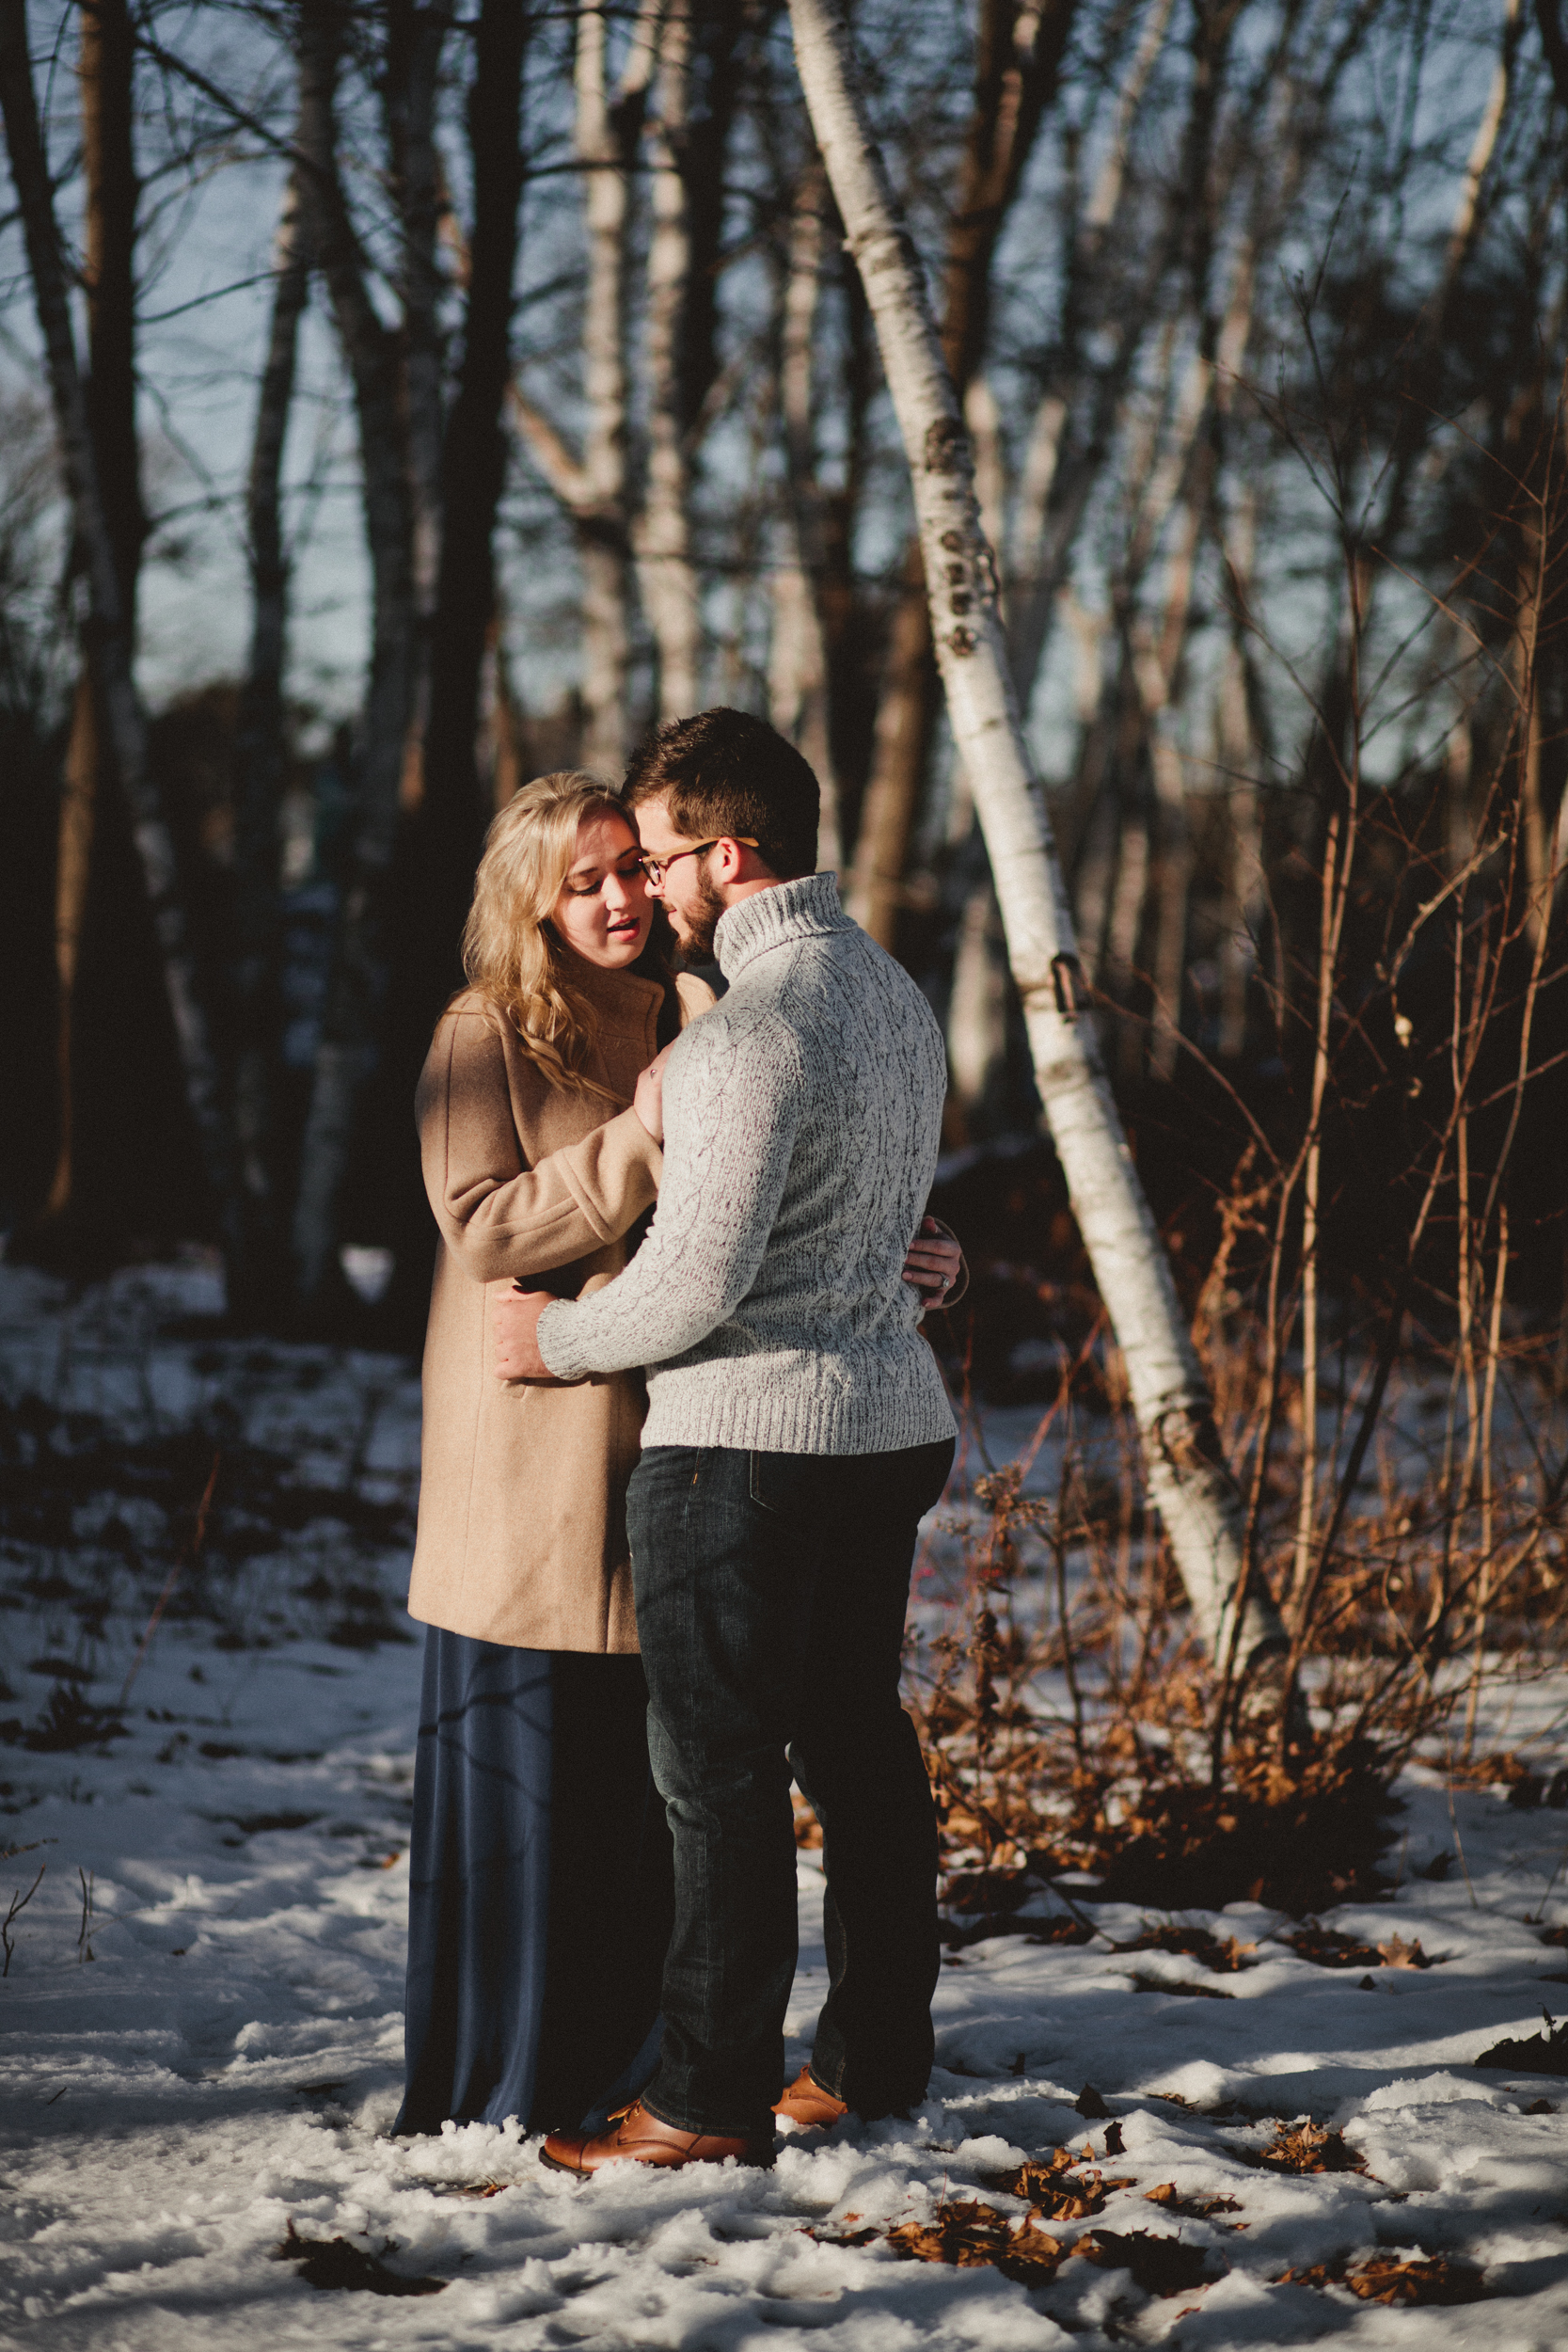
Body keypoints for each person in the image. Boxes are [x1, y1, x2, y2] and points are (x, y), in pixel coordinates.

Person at [395, 765, 960, 2140]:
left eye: (631, 870)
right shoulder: (484, 1030)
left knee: (677, 1786)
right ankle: (521, 2067)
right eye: (582, 880)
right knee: (575, 1776)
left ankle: (675, 2063)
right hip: (543, 1439)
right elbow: (481, 1227)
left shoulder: (711, 1009)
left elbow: (793, 1201)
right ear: (526, 899)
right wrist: (644, 1137)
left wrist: (912, 1256)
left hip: (701, 1432)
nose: (617, 899)